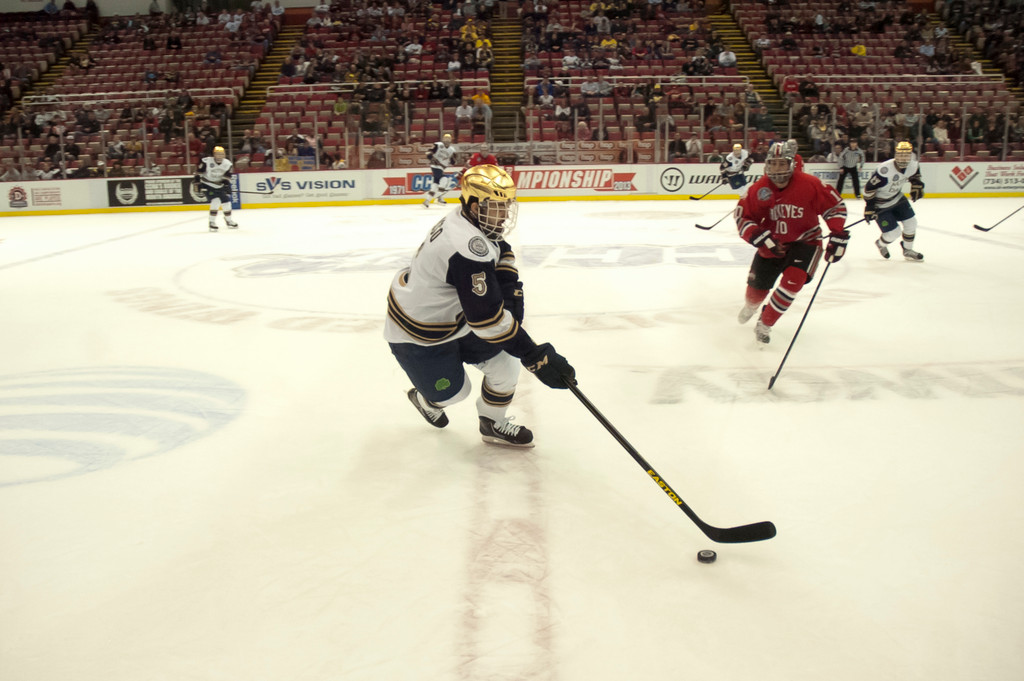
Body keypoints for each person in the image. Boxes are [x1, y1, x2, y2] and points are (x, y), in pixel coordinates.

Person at [385, 165, 576, 447]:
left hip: (455, 317)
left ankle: (492, 422)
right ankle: (428, 400)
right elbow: (487, 321)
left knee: (506, 366)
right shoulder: (465, 246)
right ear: (474, 206)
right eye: (497, 207)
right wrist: (536, 356)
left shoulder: (470, 222)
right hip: (418, 333)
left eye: (506, 206)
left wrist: (509, 287)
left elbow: (501, 249)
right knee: (454, 393)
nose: (505, 214)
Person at [735, 142, 848, 345]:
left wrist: (838, 232)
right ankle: (752, 307)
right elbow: (743, 218)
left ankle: (766, 322)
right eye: (773, 164)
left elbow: (835, 207)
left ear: (792, 164)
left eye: (782, 164)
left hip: (806, 241)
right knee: (755, 293)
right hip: (772, 244)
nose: (777, 170)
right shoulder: (759, 189)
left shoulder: (810, 184)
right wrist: (758, 235)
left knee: (793, 282)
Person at [863, 140, 924, 261]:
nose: (903, 158)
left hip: (897, 198)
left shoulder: (913, 165)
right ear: (895, 155)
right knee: (894, 233)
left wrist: (917, 186)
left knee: (911, 223)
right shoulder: (884, 170)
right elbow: (869, 189)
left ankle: (908, 250)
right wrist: (869, 208)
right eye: (900, 154)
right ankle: (881, 244)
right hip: (880, 204)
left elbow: (915, 177)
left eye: (906, 155)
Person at [192, 146, 237, 232]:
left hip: (219, 185)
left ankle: (229, 220)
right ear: (214, 155)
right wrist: (197, 182)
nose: (220, 156)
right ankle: (212, 222)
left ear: (224, 155)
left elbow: (227, 176)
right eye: (218, 154)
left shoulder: (228, 164)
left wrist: (226, 185)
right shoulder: (207, 161)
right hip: (207, 184)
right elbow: (198, 172)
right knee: (215, 201)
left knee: (226, 202)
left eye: (221, 154)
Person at [423, 132, 458, 207]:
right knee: (444, 178)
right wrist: (432, 158)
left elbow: (453, 162)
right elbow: (428, 152)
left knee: (435, 184)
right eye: (445, 138)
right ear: (442, 139)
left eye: (448, 138)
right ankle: (439, 197)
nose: (447, 140)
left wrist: (453, 158)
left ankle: (427, 201)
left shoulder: (452, 150)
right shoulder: (438, 145)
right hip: (435, 166)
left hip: (442, 167)